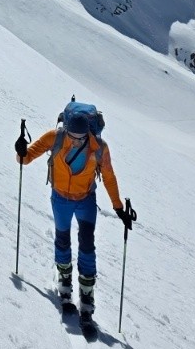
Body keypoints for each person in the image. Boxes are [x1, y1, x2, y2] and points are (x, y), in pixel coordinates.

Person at [15, 107, 135, 322]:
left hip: (85, 200)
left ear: (89, 134)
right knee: (62, 240)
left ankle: (86, 294)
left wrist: (118, 208)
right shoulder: (56, 138)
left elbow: (108, 177)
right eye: (73, 137)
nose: (77, 142)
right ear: (67, 131)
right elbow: (26, 157)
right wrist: (21, 151)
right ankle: (65, 283)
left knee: (87, 244)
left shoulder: (99, 148)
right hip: (61, 199)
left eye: (81, 139)